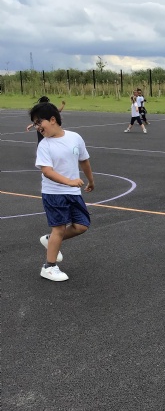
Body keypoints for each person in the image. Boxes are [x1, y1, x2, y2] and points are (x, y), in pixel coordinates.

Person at [29, 101, 95, 281]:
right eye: (35, 123)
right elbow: (47, 171)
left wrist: (90, 180)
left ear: (52, 120)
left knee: (81, 225)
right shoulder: (44, 145)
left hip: (73, 192)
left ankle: (50, 239)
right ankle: (49, 267)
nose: (37, 127)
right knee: (58, 228)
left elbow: (84, 160)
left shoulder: (75, 137)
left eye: (39, 122)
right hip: (53, 193)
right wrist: (69, 181)